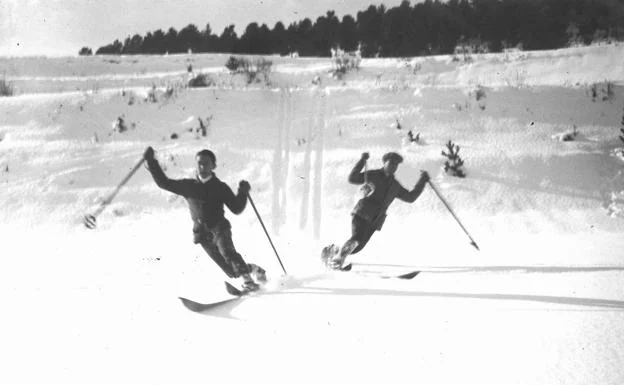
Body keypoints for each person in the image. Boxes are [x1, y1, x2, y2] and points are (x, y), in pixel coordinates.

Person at [143, 146, 264, 290]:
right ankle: (255, 269)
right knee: (231, 271)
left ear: (213, 166)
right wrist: (151, 162)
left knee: (228, 252)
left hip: (220, 228)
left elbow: (236, 208)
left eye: (206, 163)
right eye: (199, 163)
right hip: (202, 234)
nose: (202, 166)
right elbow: (164, 183)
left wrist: (242, 192)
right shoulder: (188, 186)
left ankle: (248, 281)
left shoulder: (220, 187)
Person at [322, 151, 430, 269]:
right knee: (357, 239)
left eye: (395, 165)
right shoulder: (373, 175)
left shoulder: (395, 186)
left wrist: (422, 181)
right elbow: (353, 178)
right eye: (391, 163)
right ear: (384, 163)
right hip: (362, 213)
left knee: (358, 246)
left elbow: (410, 197)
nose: (393, 167)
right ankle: (338, 260)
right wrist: (362, 161)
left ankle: (333, 251)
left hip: (375, 220)